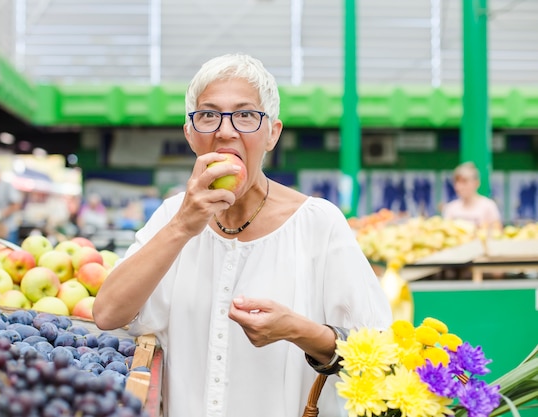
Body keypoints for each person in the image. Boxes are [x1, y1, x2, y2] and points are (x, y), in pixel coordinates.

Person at [93, 54, 392, 417]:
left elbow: (377, 350)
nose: (226, 130)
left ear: (272, 134)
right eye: (208, 115)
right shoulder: (173, 216)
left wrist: (298, 330)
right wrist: (183, 227)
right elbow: (108, 313)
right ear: (190, 134)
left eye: (246, 115)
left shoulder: (318, 223)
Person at [442, 161, 502, 230]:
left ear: (476, 183)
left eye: (464, 182)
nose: (459, 187)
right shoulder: (451, 208)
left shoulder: (488, 206)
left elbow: (497, 232)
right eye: (457, 182)